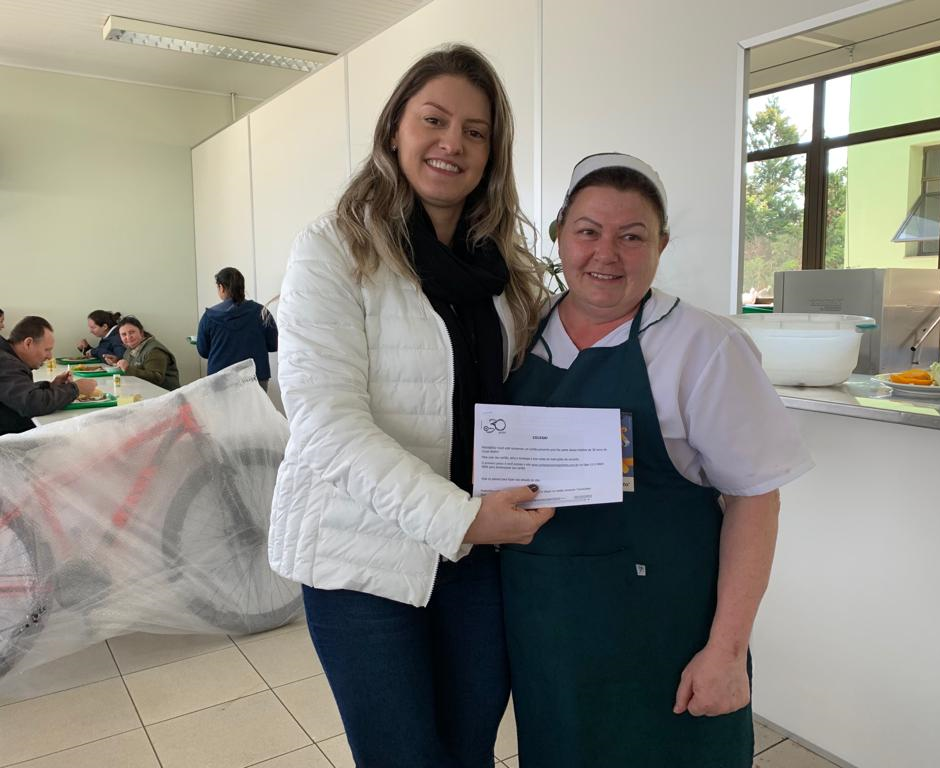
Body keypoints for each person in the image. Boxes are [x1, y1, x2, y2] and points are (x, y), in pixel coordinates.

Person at [268, 45, 554, 768]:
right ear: (395, 126)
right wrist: (460, 518)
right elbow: (325, 424)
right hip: (361, 560)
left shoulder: (507, 271)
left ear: (492, 153)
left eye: (475, 131)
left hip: (477, 557)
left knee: (469, 752)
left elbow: (537, 388)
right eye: (434, 119)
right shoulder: (333, 250)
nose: (452, 142)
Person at [500, 153, 814, 768]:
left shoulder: (704, 346)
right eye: (588, 231)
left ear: (662, 244)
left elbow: (755, 499)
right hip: (547, 634)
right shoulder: (518, 332)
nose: (606, 254)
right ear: (560, 235)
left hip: (665, 636)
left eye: (632, 236)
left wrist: (727, 651)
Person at [0, 316, 98, 435]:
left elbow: (18, 393)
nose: (50, 356)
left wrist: (51, 386)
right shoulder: (6, 362)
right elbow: (31, 404)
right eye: (47, 350)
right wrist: (76, 388)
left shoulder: (7, 358)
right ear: (28, 343)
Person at [196, 267, 278, 390]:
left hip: (220, 381)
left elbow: (203, 351)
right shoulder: (262, 312)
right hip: (255, 379)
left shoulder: (209, 317)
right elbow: (274, 345)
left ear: (221, 287)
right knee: (255, 404)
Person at [102, 315, 180, 390]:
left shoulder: (154, 351)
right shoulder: (130, 349)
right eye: (124, 334)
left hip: (164, 395)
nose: (128, 337)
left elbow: (156, 378)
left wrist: (127, 368)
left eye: (132, 332)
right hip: (142, 391)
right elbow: (134, 366)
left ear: (141, 333)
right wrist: (117, 361)